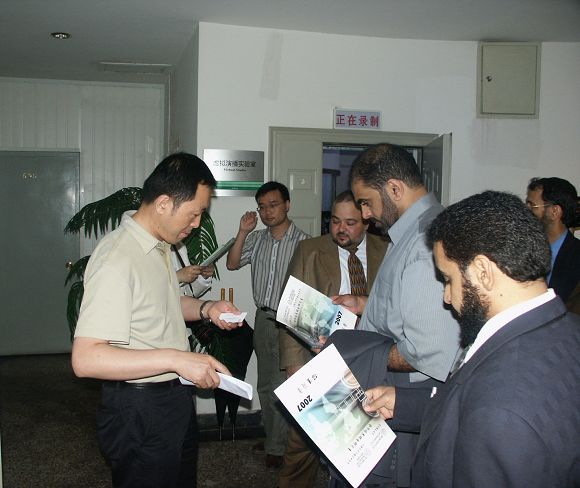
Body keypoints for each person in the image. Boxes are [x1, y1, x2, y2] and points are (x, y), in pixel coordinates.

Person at [364, 190, 580, 488]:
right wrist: (404, 402)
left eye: (448, 279)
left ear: (483, 271)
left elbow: (489, 408)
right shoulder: (566, 328)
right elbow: (471, 398)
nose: (447, 297)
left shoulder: (500, 411)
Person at [72, 152, 242, 488]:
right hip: (139, 407)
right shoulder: (118, 258)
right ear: (163, 203)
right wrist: (177, 359)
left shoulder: (158, 245)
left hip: (172, 399)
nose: (197, 224)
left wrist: (207, 308)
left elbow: (163, 303)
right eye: (194, 213)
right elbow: (86, 358)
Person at [331, 143, 461, 488]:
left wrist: (355, 352)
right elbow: (407, 306)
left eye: (366, 202)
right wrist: (365, 304)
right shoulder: (410, 232)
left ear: (394, 189)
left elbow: (427, 351)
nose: (365, 214)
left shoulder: (424, 242)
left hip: (405, 393)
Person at [277, 190, 388, 488]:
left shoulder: (386, 250)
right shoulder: (309, 250)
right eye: (335, 221)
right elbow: (290, 311)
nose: (341, 229)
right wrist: (294, 366)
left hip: (374, 360)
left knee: (364, 443)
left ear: (366, 222)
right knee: (302, 442)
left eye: (350, 223)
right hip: (322, 362)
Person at [226, 181, 310, 467]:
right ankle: (275, 436)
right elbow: (232, 264)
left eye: (273, 205)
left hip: (290, 321)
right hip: (263, 317)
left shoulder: (304, 242)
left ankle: (280, 448)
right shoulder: (257, 239)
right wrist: (242, 231)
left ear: (287, 205)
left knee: (282, 383)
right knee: (264, 383)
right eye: (262, 207)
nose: (267, 212)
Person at [526, 177, 580, 304]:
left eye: (532, 206)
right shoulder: (522, 248)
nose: (525, 212)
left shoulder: (576, 256)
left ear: (554, 211)